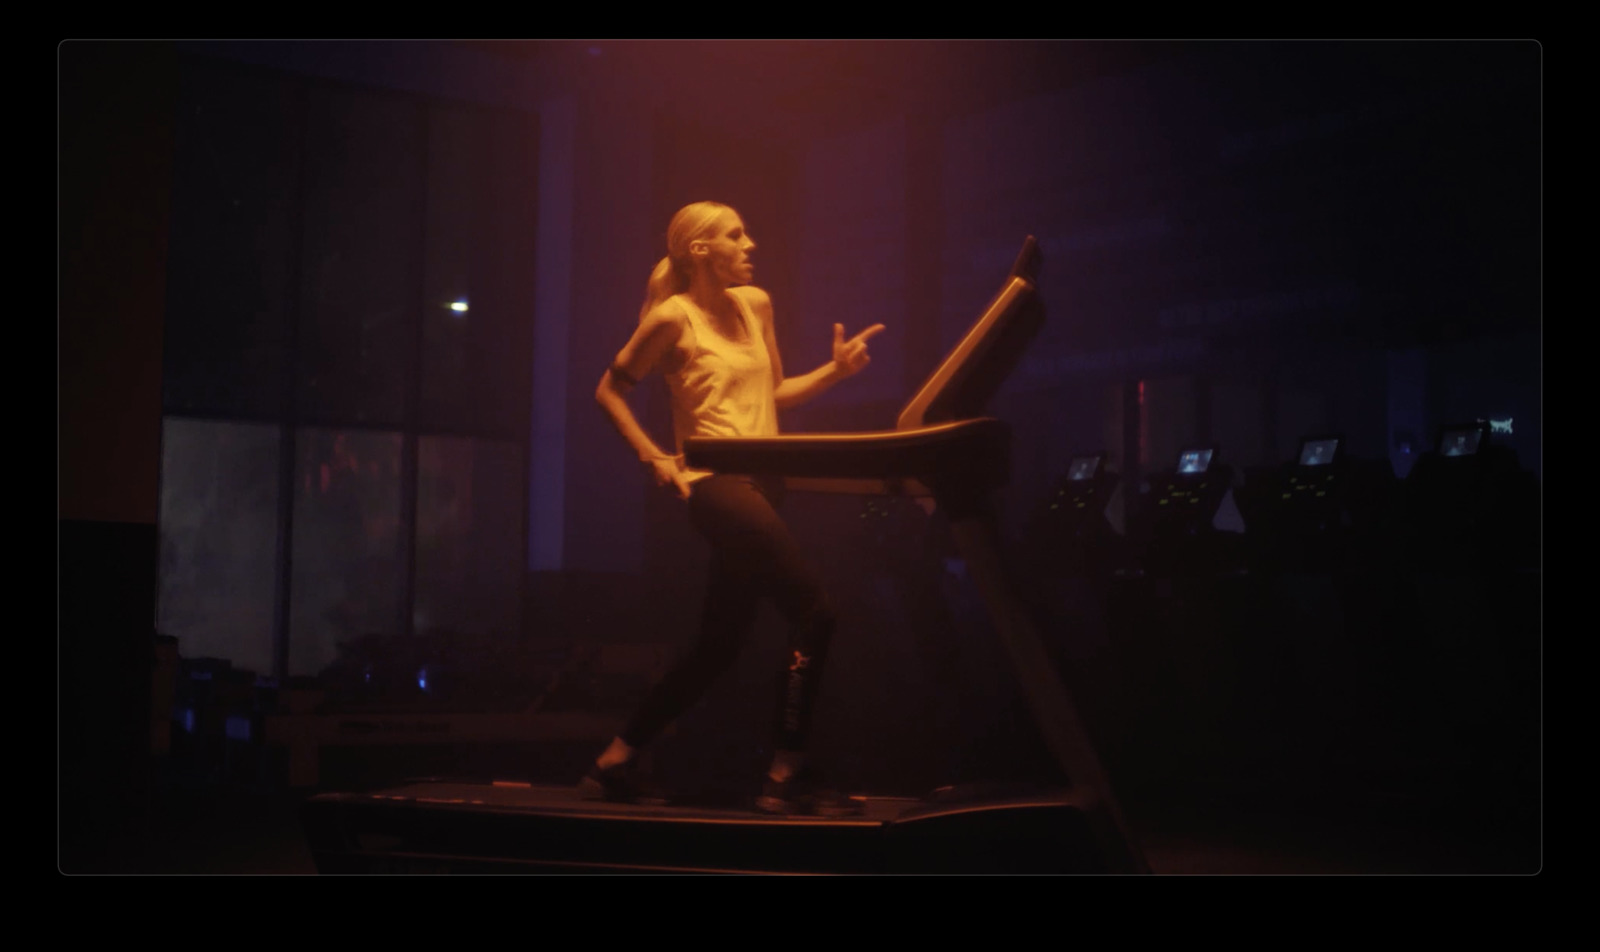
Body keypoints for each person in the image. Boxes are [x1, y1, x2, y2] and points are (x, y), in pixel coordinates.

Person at [581, 201, 884, 815]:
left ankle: (612, 761)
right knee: (817, 612)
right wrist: (653, 456)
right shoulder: (673, 317)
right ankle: (785, 773)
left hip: (766, 483)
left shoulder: (756, 304)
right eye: (735, 235)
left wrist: (835, 370)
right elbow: (609, 389)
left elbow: (773, 393)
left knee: (718, 645)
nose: (750, 245)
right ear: (700, 251)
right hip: (717, 486)